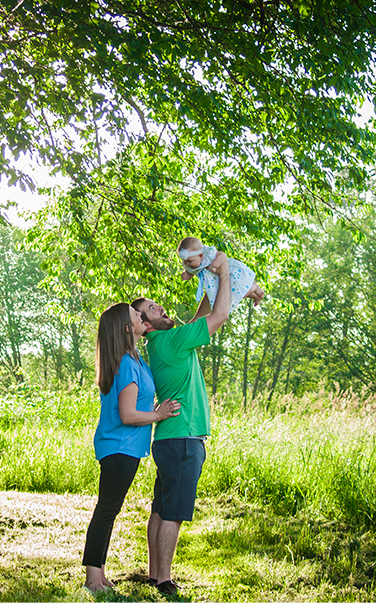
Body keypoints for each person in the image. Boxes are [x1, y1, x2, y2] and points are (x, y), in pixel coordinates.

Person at [131, 250, 232, 596]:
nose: (160, 308)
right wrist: (226, 273)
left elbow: (198, 318)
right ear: (146, 325)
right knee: (173, 512)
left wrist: (209, 281)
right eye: (152, 309)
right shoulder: (172, 341)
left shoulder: (165, 343)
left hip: (168, 440)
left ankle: (154, 573)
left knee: (160, 509)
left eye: (157, 303)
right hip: (184, 439)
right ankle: (164, 581)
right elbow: (221, 314)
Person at [82, 302, 182, 593]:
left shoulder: (135, 360)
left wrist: (152, 411)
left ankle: (98, 574)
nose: (141, 316)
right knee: (107, 510)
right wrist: (159, 414)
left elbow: (135, 405)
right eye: (136, 315)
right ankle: (92, 579)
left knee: (109, 509)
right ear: (128, 328)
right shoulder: (126, 362)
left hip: (126, 448)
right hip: (119, 447)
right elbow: (128, 416)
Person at [177, 236, 264, 312]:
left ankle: (254, 287)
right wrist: (187, 275)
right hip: (218, 283)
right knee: (230, 299)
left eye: (189, 261)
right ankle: (255, 297)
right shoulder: (191, 264)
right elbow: (191, 272)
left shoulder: (208, 255)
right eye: (185, 262)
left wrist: (214, 265)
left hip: (230, 275)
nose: (187, 264)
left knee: (237, 293)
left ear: (200, 256)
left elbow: (223, 255)